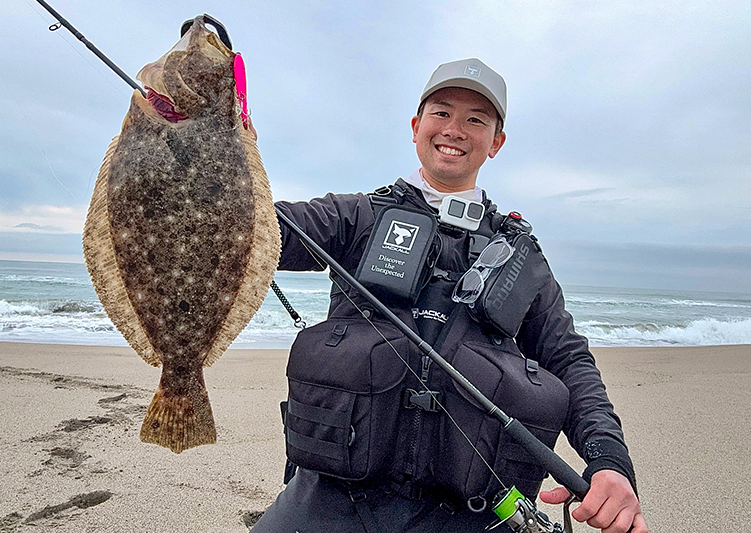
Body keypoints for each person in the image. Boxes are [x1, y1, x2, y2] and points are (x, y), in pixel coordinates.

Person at [252, 58, 647, 533]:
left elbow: (567, 358)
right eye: (441, 112)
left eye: (475, 119)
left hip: (467, 511)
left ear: (496, 142)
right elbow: (249, 230)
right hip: (332, 496)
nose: (454, 129)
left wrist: (608, 460)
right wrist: (212, 140)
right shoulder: (355, 216)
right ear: (416, 126)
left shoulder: (521, 256)